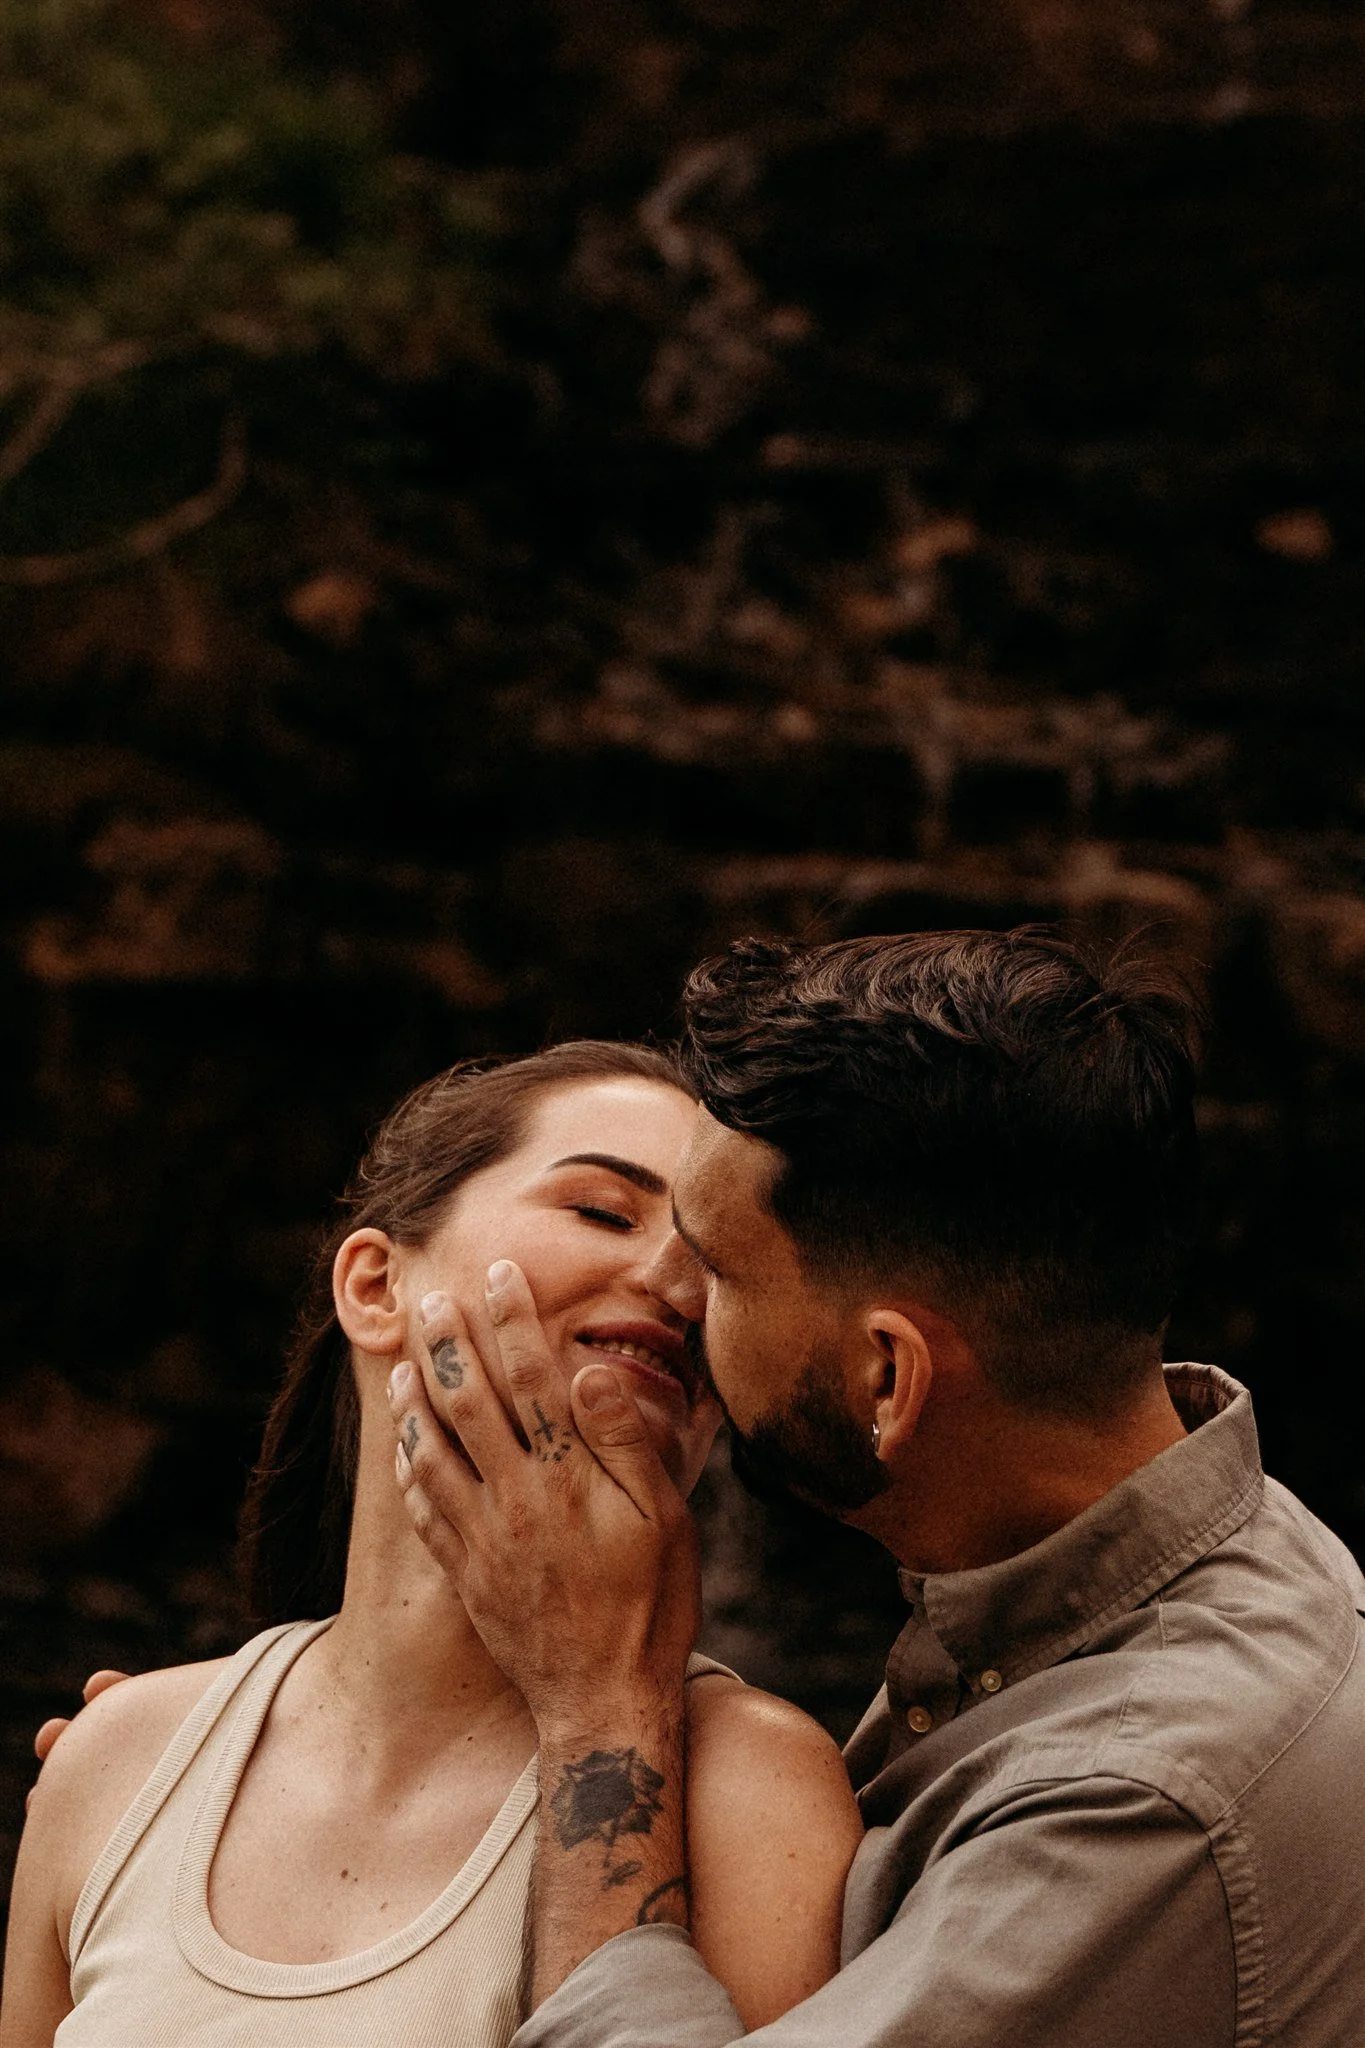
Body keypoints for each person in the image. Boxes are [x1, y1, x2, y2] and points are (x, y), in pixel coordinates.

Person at [389, 929, 1365, 2046]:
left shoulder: (1143, 1801)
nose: (666, 1293)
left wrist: (602, 1706)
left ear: (889, 1377)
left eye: (715, 1266)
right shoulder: (1141, 1565)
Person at [0, 1041, 862, 2048]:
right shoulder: (118, 1761)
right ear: (374, 1285)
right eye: (602, 1211)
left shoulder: (750, 1787)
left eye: (716, 1262)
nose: (678, 1284)